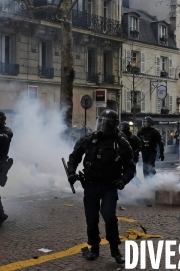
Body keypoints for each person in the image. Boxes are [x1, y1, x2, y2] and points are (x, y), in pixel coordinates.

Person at [67, 110, 135, 265]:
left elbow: (130, 168)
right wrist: (71, 173)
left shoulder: (121, 143)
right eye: (102, 122)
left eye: (108, 123)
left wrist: (123, 180)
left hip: (109, 187)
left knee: (109, 216)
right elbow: (74, 156)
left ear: (114, 124)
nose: (104, 126)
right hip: (90, 186)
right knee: (91, 219)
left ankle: (115, 250)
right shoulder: (90, 139)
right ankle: (94, 248)